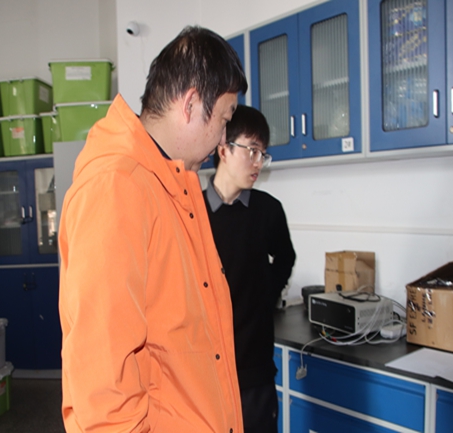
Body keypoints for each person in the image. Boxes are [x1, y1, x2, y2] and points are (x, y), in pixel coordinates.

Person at [58, 26, 248, 432]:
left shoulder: (175, 184)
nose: (222, 139)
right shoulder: (117, 187)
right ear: (191, 104)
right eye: (224, 119)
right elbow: (103, 389)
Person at [204, 105, 296, 433]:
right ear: (223, 149)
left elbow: (285, 257)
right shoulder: (193, 213)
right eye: (252, 150)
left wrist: (264, 297)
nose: (259, 162)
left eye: (263, 154)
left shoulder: (268, 211)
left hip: (255, 373)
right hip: (206, 377)